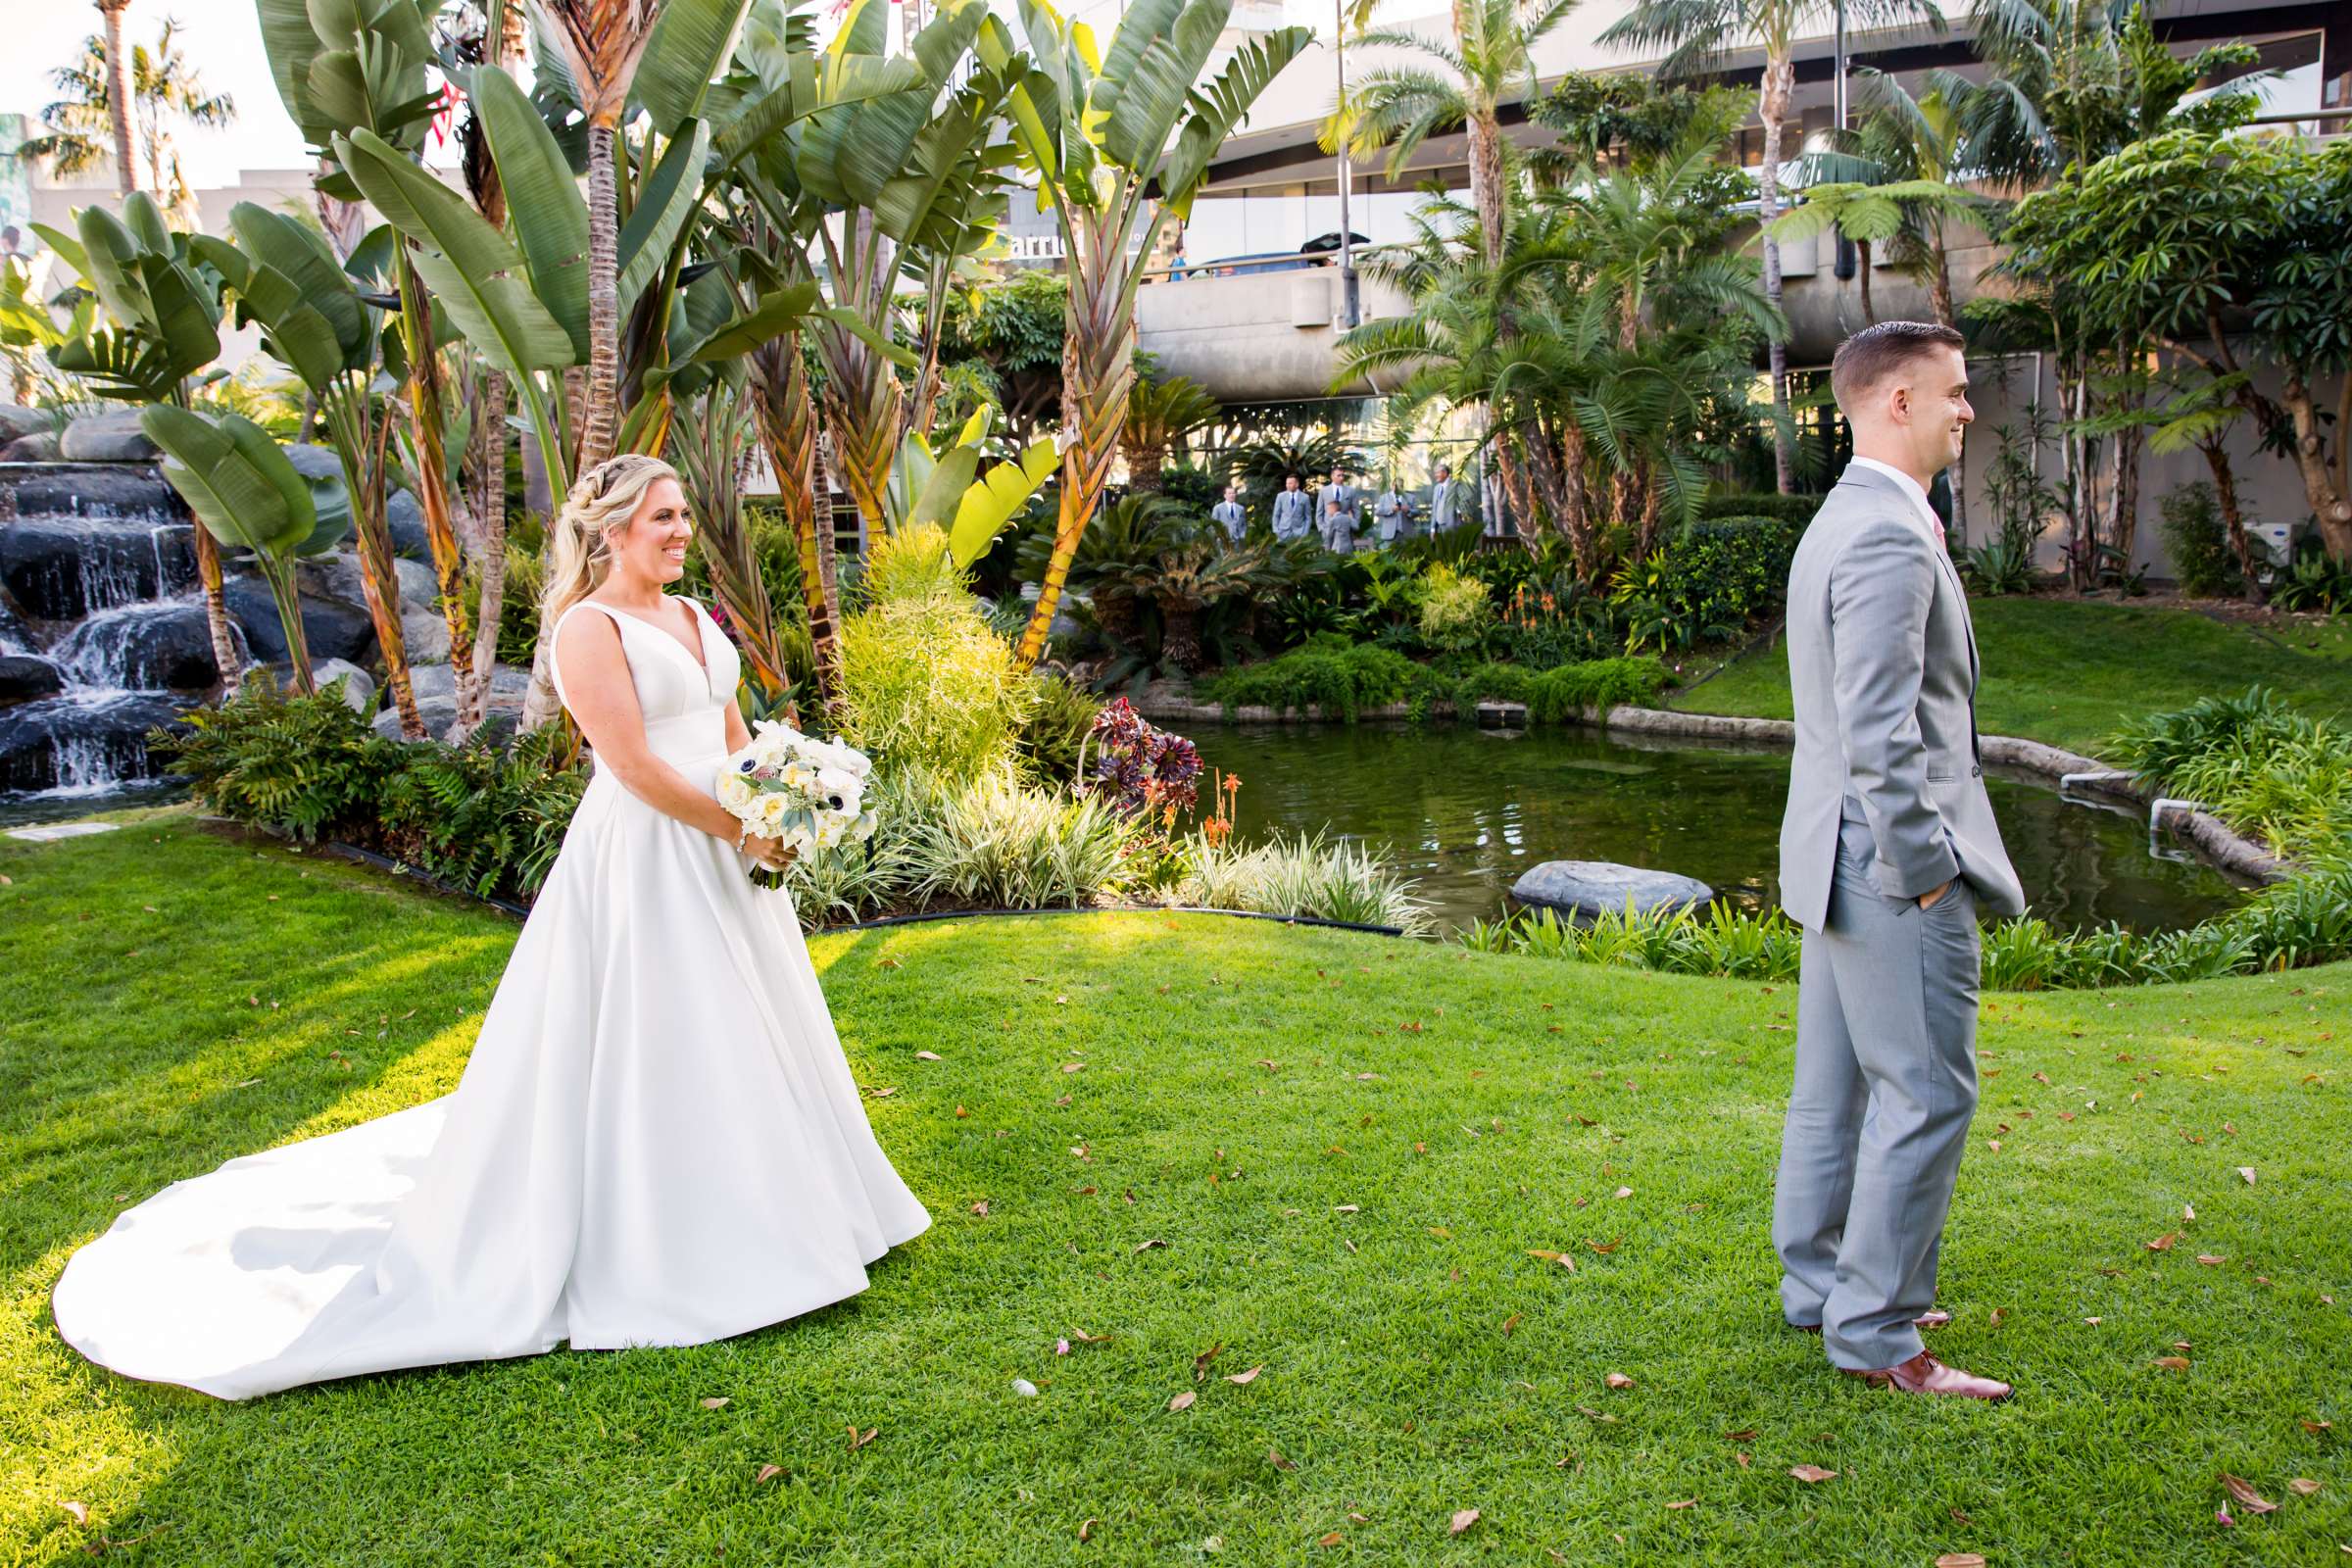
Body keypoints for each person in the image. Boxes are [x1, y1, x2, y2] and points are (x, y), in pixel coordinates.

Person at [49, 454, 931, 1400]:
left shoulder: (693, 614)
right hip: (648, 853)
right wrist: (737, 825)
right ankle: (670, 1242)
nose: (681, 532)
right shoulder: (586, 629)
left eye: (682, 515)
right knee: (661, 1029)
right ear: (612, 529)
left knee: (748, 1024)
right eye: (662, 518)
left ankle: (790, 1210)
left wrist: (777, 813)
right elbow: (629, 766)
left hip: (723, 845)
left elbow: (728, 731)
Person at [1773, 321, 2024, 1403]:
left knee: (1833, 1094)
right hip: (1885, 867)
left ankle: (1824, 1284)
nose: (1968, 409)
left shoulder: (1848, 514)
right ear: (1898, 403)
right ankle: (1877, 1330)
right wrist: (1927, 870)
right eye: (1955, 392)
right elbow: (1881, 733)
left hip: (1827, 858)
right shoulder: (1883, 534)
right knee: (1924, 1093)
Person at [1320, 465, 1360, 553]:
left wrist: (1354, 524)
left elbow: (1356, 510)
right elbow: (1319, 512)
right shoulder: (1324, 490)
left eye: (1343, 475)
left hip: (1345, 532)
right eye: (1339, 475)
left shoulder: (1351, 491)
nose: (1341, 478)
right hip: (1327, 529)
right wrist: (1321, 528)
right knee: (1329, 557)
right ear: (1332, 476)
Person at [1270, 472, 1313, 542]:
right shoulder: (1280, 496)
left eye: (1290, 483)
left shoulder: (1305, 497)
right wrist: (1276, 530)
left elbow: (1308, 517)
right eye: (1287, 483)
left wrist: (1305, 533)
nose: (1287, 485)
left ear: (1297, 484)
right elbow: (1276, 515)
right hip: (1282, 533)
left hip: (1299, 534)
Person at [1371, 474, 1411, 544]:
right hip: (1389, 535)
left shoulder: (1409, 497)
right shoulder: (1384, 497)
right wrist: (1391, 509)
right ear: (1392, 486)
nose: (1399, 488)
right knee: (1388, 554)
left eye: (1401, 486)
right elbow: (1377, 511)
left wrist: (1409, 510)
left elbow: (1418, 511)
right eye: (1397, 486)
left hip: (1405, 535)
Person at [1427, 464, 1461, 534]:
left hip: (1451, 526)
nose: (1435, 475)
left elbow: (1462, 504)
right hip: (1437, 527)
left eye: (1437, 473)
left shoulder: (1455, 485)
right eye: (1435, 473)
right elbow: (1434, 509)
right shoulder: (1437, 488)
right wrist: (1432, 529)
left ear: (1445, 473)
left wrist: (1459, 515)